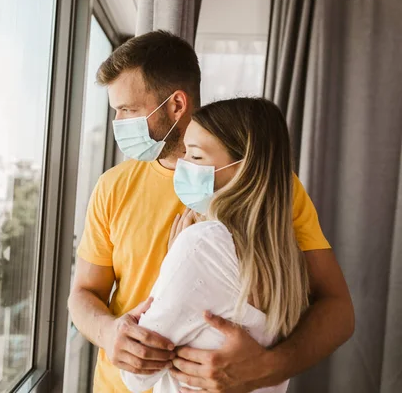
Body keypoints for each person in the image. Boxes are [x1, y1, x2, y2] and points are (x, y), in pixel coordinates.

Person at [67, 31, 354, 393]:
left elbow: (338, 309)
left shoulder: (269, 186)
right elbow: (82, 294)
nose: (119, 123)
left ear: (175, 105)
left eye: (129, 110)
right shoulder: (112, 186)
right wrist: (109, 333)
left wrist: (269, 367)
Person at [120, 97, 310, 393]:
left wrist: (176, 261)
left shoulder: (202, 245)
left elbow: (136, 374)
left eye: (196, 158)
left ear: (244, 168)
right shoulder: (286, 254)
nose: (182, 166)